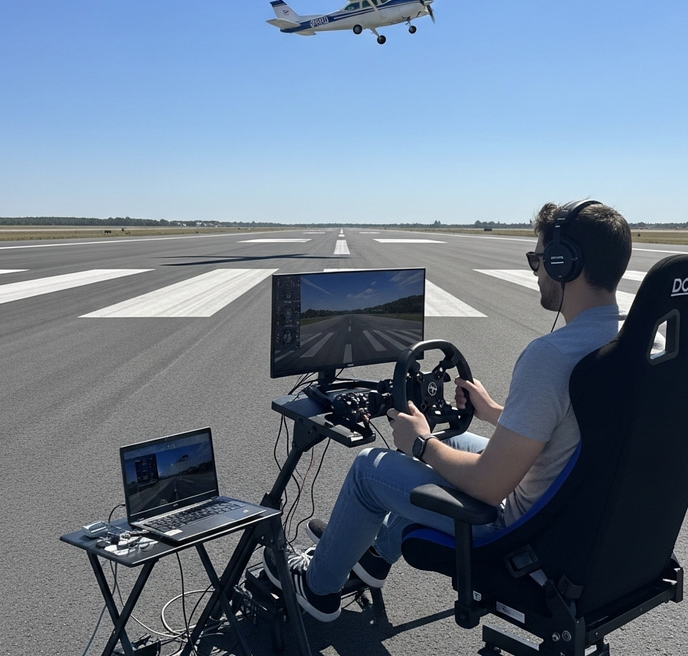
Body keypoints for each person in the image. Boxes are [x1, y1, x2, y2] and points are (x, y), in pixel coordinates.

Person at [263, 200, 633, 622]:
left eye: (538, 260)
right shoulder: (632, 345)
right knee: (452, 438)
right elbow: (574, 425)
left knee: (370, 468)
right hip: (576, 517)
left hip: (516, 528)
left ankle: (317, 588)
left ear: (564, 262)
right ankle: (375, 557)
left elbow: (489, 486)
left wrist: (420, 443)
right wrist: (493, 412)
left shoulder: (552, 357)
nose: (537, 272)